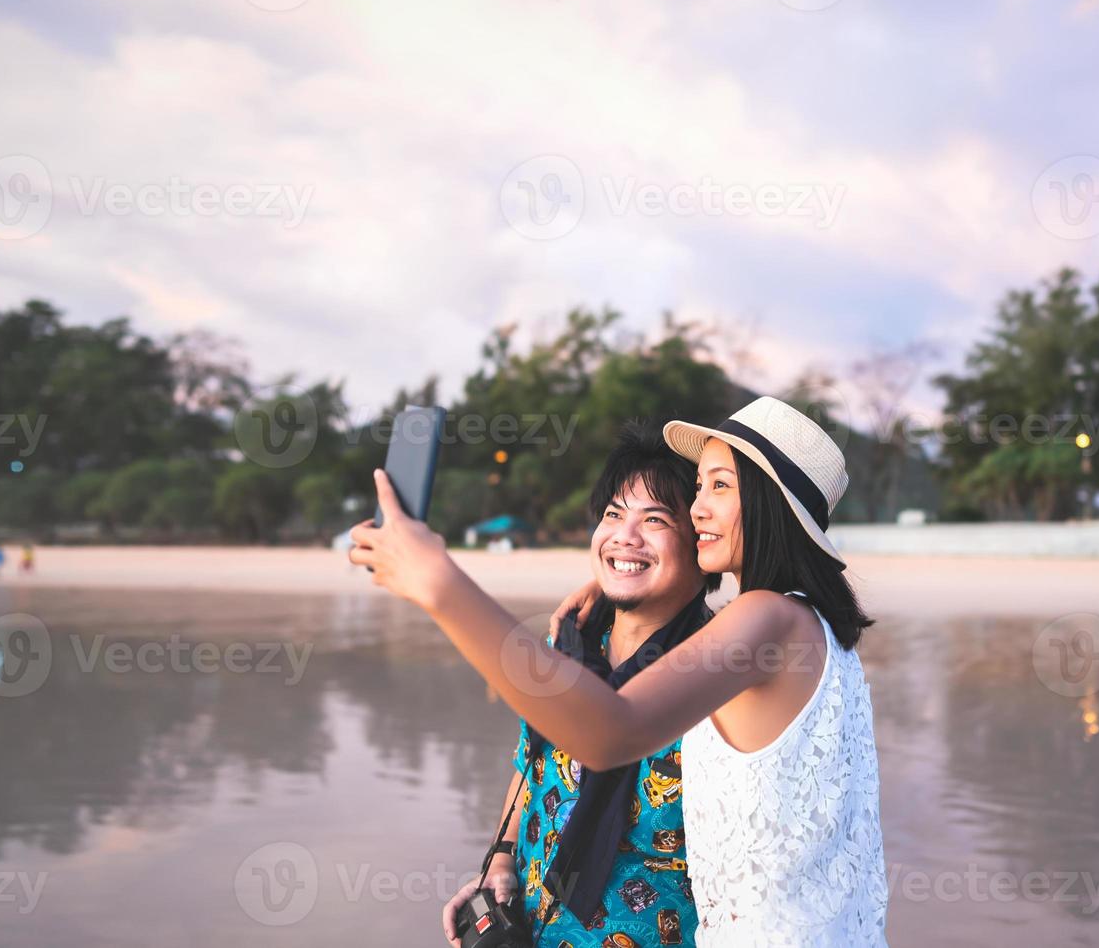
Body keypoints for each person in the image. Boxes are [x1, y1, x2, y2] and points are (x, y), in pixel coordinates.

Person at [353, 397, 887, 946]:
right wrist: (503, 857)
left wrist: (436, 582)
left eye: (719, 487)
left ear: (768, 501)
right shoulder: (803, 626)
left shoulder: (767, 622)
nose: (701, 507)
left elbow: (611, 732)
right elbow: (533, 765)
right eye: (700, 487)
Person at [439, 421, 718, 947]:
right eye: (614, 514)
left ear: (702, 542)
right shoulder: (567, 645)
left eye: (654, 519)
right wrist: (499, 862)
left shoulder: (720, 673)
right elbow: (529, 766)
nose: (624, 535)